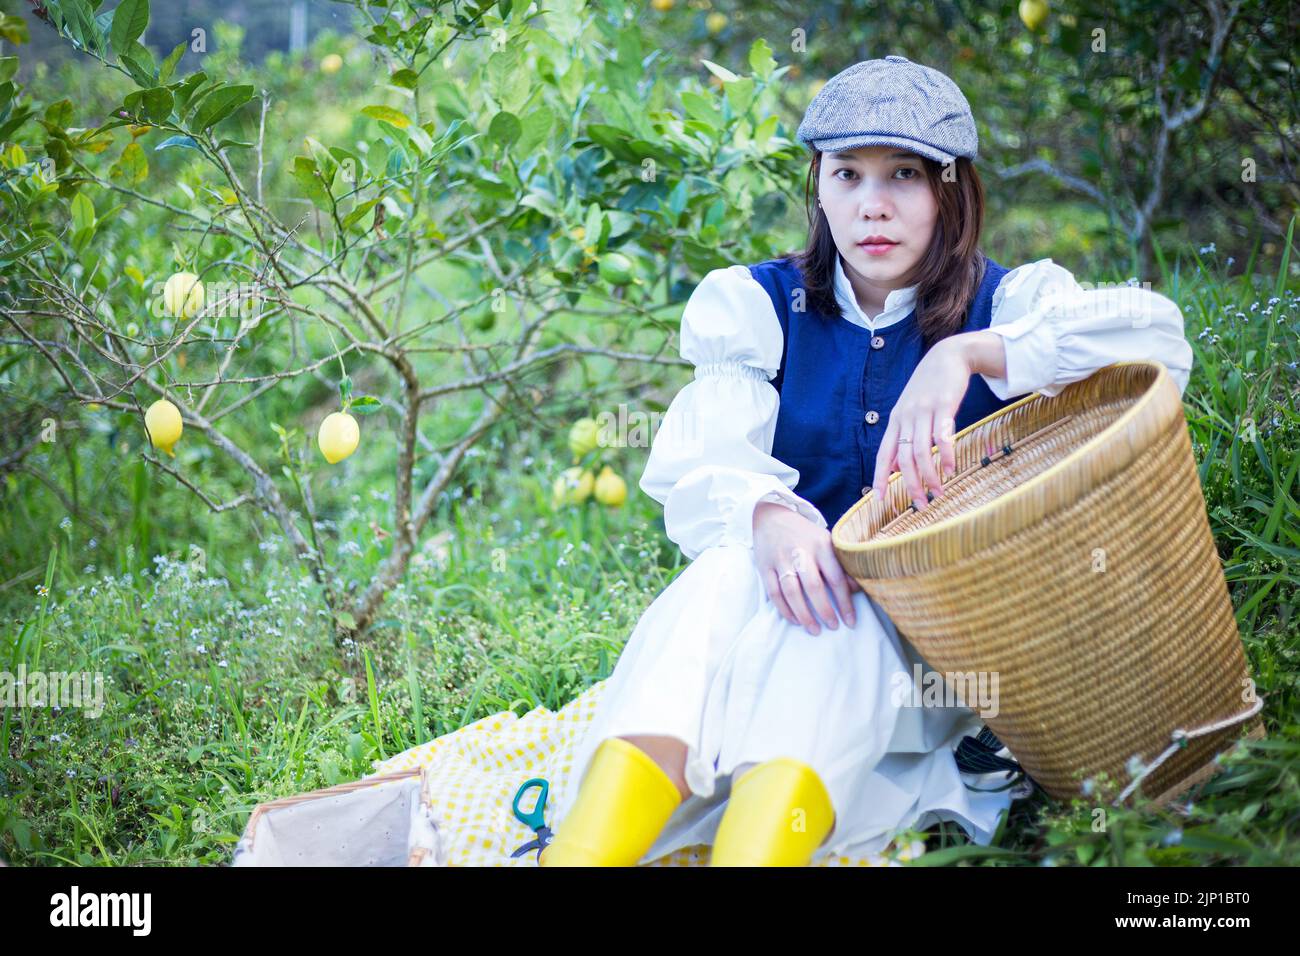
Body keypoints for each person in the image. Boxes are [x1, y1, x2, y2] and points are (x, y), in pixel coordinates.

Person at [537, 55, 1194, 867]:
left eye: (904, 176)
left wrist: (964, 356)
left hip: (917, 660)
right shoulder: (761, 306)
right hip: (771, 617)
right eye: (847, 174)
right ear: (818, 186)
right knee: (721, 576)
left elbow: (1160, 338)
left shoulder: (1010, 303)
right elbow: (707, 461)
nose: (871, 206)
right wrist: (769, 516)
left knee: (834, 613)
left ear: (950, 192)